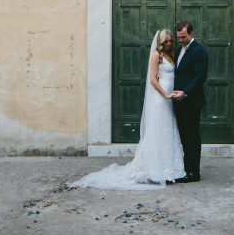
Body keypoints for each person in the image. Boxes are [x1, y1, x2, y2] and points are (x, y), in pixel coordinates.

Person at [72, 29, 185, 189]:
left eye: (170, 41)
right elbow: (153, 80)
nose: (169, 43)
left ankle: (169, 168)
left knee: (167, 130)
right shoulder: (156, 55)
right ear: (160, 42)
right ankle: (154, 169)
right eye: (166, 41)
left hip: (169, 99)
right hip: (161, 99)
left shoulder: (170, 55)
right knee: (159, 130)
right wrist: (165, 95)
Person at [171, 21, 208, 183]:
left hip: (191, 101)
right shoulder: (179, 49)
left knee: (192, 137)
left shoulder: (199, 51)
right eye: (178, 37)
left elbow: (200, 77)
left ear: (191, 34)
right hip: (179, 102)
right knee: (184, 137)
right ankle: (186, 169)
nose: (180, 40)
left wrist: (185, 93)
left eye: (184, 37)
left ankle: (194, 173)